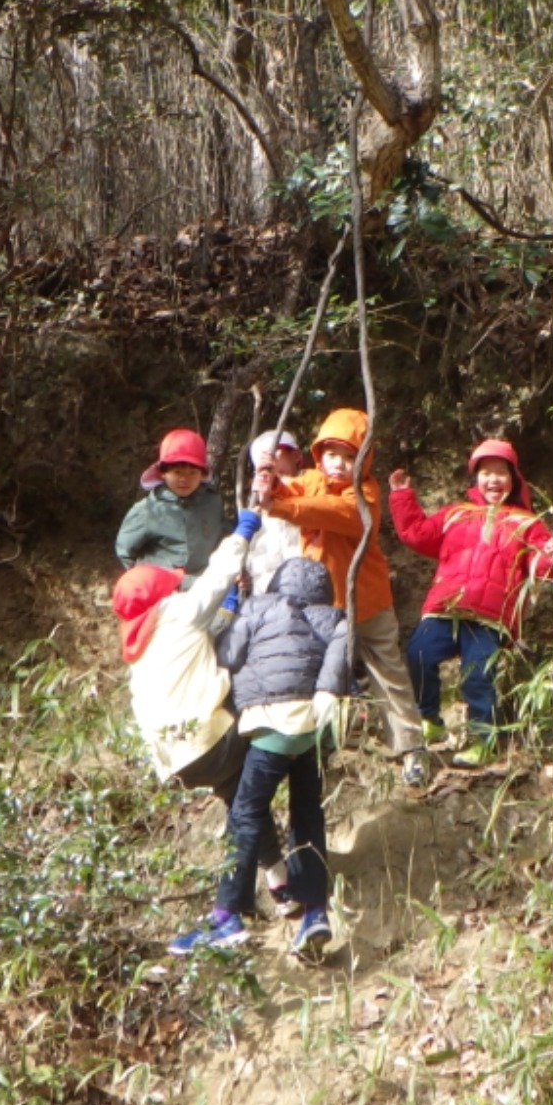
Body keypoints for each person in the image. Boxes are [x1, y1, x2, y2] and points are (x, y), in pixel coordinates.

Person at [168, 557, 353, 958]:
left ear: (280, 584)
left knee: (247, 812)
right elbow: (340, 668)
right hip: (314, 731)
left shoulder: (260, 607)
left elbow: (228, 656)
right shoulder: (338, 619)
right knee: (307, 814)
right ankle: (315, 912)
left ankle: (228, 913)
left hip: (271, 722)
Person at [113, 508, 292, 916]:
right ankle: (237, 902)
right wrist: (244, 529)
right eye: (172, 587)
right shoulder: (174, 613)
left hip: (181, 764)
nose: (179, 591)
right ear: (161, 598)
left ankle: (279, 881)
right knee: (253, 789)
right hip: (213, 742)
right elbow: (216, 576)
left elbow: (208, 626)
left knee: (244, 805)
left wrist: (228, 602)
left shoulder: (142, 645)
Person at [257, 408, 431, 787]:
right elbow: (286, 491)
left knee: (389, 676)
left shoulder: (365, 492)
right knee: (323, 679)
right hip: (322, 607)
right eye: (332, 454)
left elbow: (339, 513)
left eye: (350, 456)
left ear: (364, 460)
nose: (339, 464)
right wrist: (268, 480)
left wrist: (281, 505)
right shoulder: (310, 480)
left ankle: (410, 750)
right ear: (319, 454)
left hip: (367, 603)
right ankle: (325, 752)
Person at [388, 439, 553, 768]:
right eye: (486, 472)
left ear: (514, 479)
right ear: (476, 478)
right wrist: (402, 496)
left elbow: (542, 569)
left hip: (490, 618)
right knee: (418, 651)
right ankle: (428, 717)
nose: (494, 480)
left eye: (502, 473)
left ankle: (484, 742)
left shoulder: (527, 523)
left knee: (477, 677)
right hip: (445, 607)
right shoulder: (455, 514)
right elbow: (416, 534)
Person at [115, 427, 226, 580]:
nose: (184, 479)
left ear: (202, 474)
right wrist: (145, 580)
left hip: (201, 589)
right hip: (162, 591)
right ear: (163, 473)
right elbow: (125, 550)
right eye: (177, 472)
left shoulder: (212, 503)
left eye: (192, 473)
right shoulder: (148, 510)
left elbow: (223, 536)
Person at [242, 429, 308, 596]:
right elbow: (251, 549)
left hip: (305, 585)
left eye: (277, 455)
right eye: (264, 463)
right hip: (266, 591)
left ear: (297, 456)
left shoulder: (312, 492)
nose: (274, 466)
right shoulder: (256, 508)